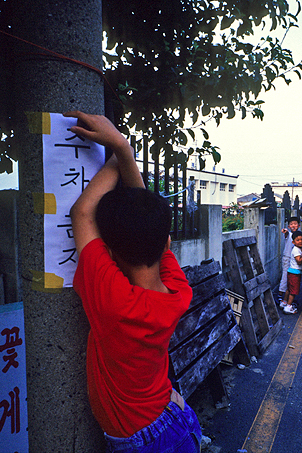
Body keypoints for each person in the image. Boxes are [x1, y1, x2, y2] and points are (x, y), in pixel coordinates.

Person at [67, 111, 202, 453]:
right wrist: (121, 148)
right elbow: (141, 215)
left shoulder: (115, 301)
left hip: (146, 439)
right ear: (167, 244)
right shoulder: (176, 290)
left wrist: (120, 148)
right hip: (176, 418)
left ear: (110, 253)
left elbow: (82, 213)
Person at [281, 230, 302, 314]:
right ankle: (288, 306)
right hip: (295, 273)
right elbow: (299, 261)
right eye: (298, 240)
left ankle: (284, 302)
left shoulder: (297, 248)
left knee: (289, 289)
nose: (300, 241)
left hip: (291, 272)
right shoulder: (296, 250)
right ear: (293, 242)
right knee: (293, 291)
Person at [277, 216, 301, 302]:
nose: (293, 225)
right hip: (287, 258)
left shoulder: (299, 236)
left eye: (295, 224)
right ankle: (279, 295)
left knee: (292, 279)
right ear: (289, 227)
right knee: (285, 277)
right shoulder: (289, 235)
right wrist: (285, 232)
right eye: (291, 224)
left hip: (294, 260)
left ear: (299, 225)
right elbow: (286, 233)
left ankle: (288, 298)